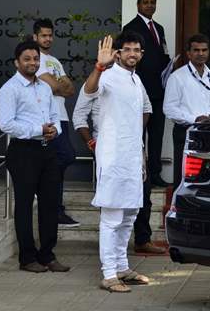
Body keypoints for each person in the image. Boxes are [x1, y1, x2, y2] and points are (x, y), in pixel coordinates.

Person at [84, 32, 152, 292]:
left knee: (130, 213)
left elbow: (137, 120)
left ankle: (122, 266)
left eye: (137, 50)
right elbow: (89, 91)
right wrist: (99, 66)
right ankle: (109, 273)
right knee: (112, 215)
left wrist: (142, 155)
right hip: (112, 156)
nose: (132, 54)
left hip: (133, 156)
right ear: (118, 53)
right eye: (127, 50)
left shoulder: (136, 79)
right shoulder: (108, 75)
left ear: (141, 54)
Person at [0, 40, 70, 273]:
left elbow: (55, 116)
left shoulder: (45, 88)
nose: (32, 63)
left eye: (36, 59)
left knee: (50, 205)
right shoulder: (9, 89)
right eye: (27, 59)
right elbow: (6, 124)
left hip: (48, 150)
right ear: (17, 62)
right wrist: (39, 130)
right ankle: (27, 258)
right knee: (25, 206)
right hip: (23, 152)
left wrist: (54, 130)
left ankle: (47, 255)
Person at [73, 83, 166, 255]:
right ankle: (110, 247)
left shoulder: (135, 81)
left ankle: (142, 240)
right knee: (111, 198)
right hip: (107, 150)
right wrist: (91, 143)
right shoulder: (95, 83)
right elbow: (79, 116)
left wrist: (135, 131)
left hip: (133, 148)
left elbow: (147, 108)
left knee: (143, 193)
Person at [32, 18, 79, 227]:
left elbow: (69, 90)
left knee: (58, 163)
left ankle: (53, 205)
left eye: (50, 35)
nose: (48, 38)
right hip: (48, 118)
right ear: (35, 37)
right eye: (43, 35)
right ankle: (47, 197)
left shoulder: (55, 61)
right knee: (64, 156)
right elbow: (54, 86)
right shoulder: (35, 58)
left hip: (62, 116)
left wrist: (59, 84)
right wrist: (59, 84)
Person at [164, 34, 210, 188]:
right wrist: (195, 119)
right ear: (189, 53)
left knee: (209, 174)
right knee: (184, 174)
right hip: (187, 130)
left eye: (204, 50)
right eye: (196, 50)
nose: (201, 53)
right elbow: (169, 108)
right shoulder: (177, 77)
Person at [123, 0, 170, 187]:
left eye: (152, 3)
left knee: (157, 134)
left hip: (159, 91)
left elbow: (163, 54)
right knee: (138, 134)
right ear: (138, 5)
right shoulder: (131, 28)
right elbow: (128, 60)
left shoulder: (158, 28)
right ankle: (139, 174)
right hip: (139, 91)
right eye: (145, 2)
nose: (149, 6)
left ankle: (155, 173)